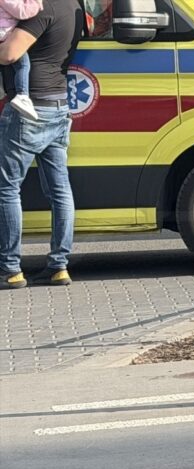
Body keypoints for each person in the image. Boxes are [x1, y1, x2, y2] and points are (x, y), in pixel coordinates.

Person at [0, 0, 82, 289]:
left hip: (29, 111)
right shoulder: (74, 7)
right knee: (60, 190)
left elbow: (10, 53)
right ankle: (59, 266)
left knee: (7, 189)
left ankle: (11, 270)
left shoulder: (41, 9)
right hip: (59, 106)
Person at [0, 0, 42, 120]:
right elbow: (21, 12)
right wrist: (36, 3)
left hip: (4, 33)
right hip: (5, 34)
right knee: (23, 65)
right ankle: (23, 95)